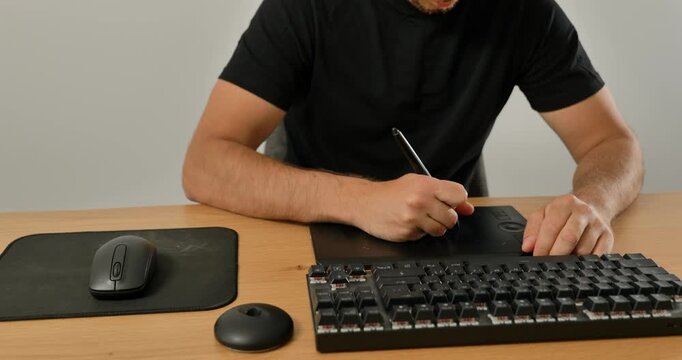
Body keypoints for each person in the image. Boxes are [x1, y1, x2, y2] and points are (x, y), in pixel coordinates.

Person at [182, 0, 644, 256]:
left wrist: (595, 202)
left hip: (446, 239)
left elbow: (612, 143)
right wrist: (359, 201)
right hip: (304, 233)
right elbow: (205, 163)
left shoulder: (526, 12)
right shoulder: (306, 7)